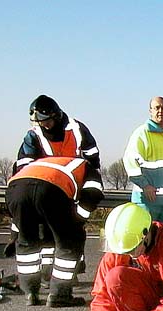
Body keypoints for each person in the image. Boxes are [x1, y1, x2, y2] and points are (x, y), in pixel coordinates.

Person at [7, 95, 101, 265]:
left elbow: (92, 158)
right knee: (46, 233)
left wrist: (85, 188)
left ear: (56, 116)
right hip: (47, 191)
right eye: (39, 122)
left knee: (73, 231)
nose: (43, 125)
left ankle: (72, 270)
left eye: (46, 121)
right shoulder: (33, 135)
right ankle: (47, 273)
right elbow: (24, 166)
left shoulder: (77, 129)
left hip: (72, 190)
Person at [5, 156, 104, 307]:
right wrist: (77, 221)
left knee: (26, 244)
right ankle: (60, 295)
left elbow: (18, 221)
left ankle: (30, 293)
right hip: (52, 189)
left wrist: (14, 238)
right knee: (68, 245)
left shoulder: (42, 162)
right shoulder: (87, 168)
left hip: (15, 190)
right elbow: (93, 194)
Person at [123, 97, 163, 224]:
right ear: (150, 111)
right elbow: (130, 161)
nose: (160, 111)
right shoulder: (142, 133)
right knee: (146, 239)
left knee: (162, 240)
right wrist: (145, 185)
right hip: (146, 200)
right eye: (157, 107)